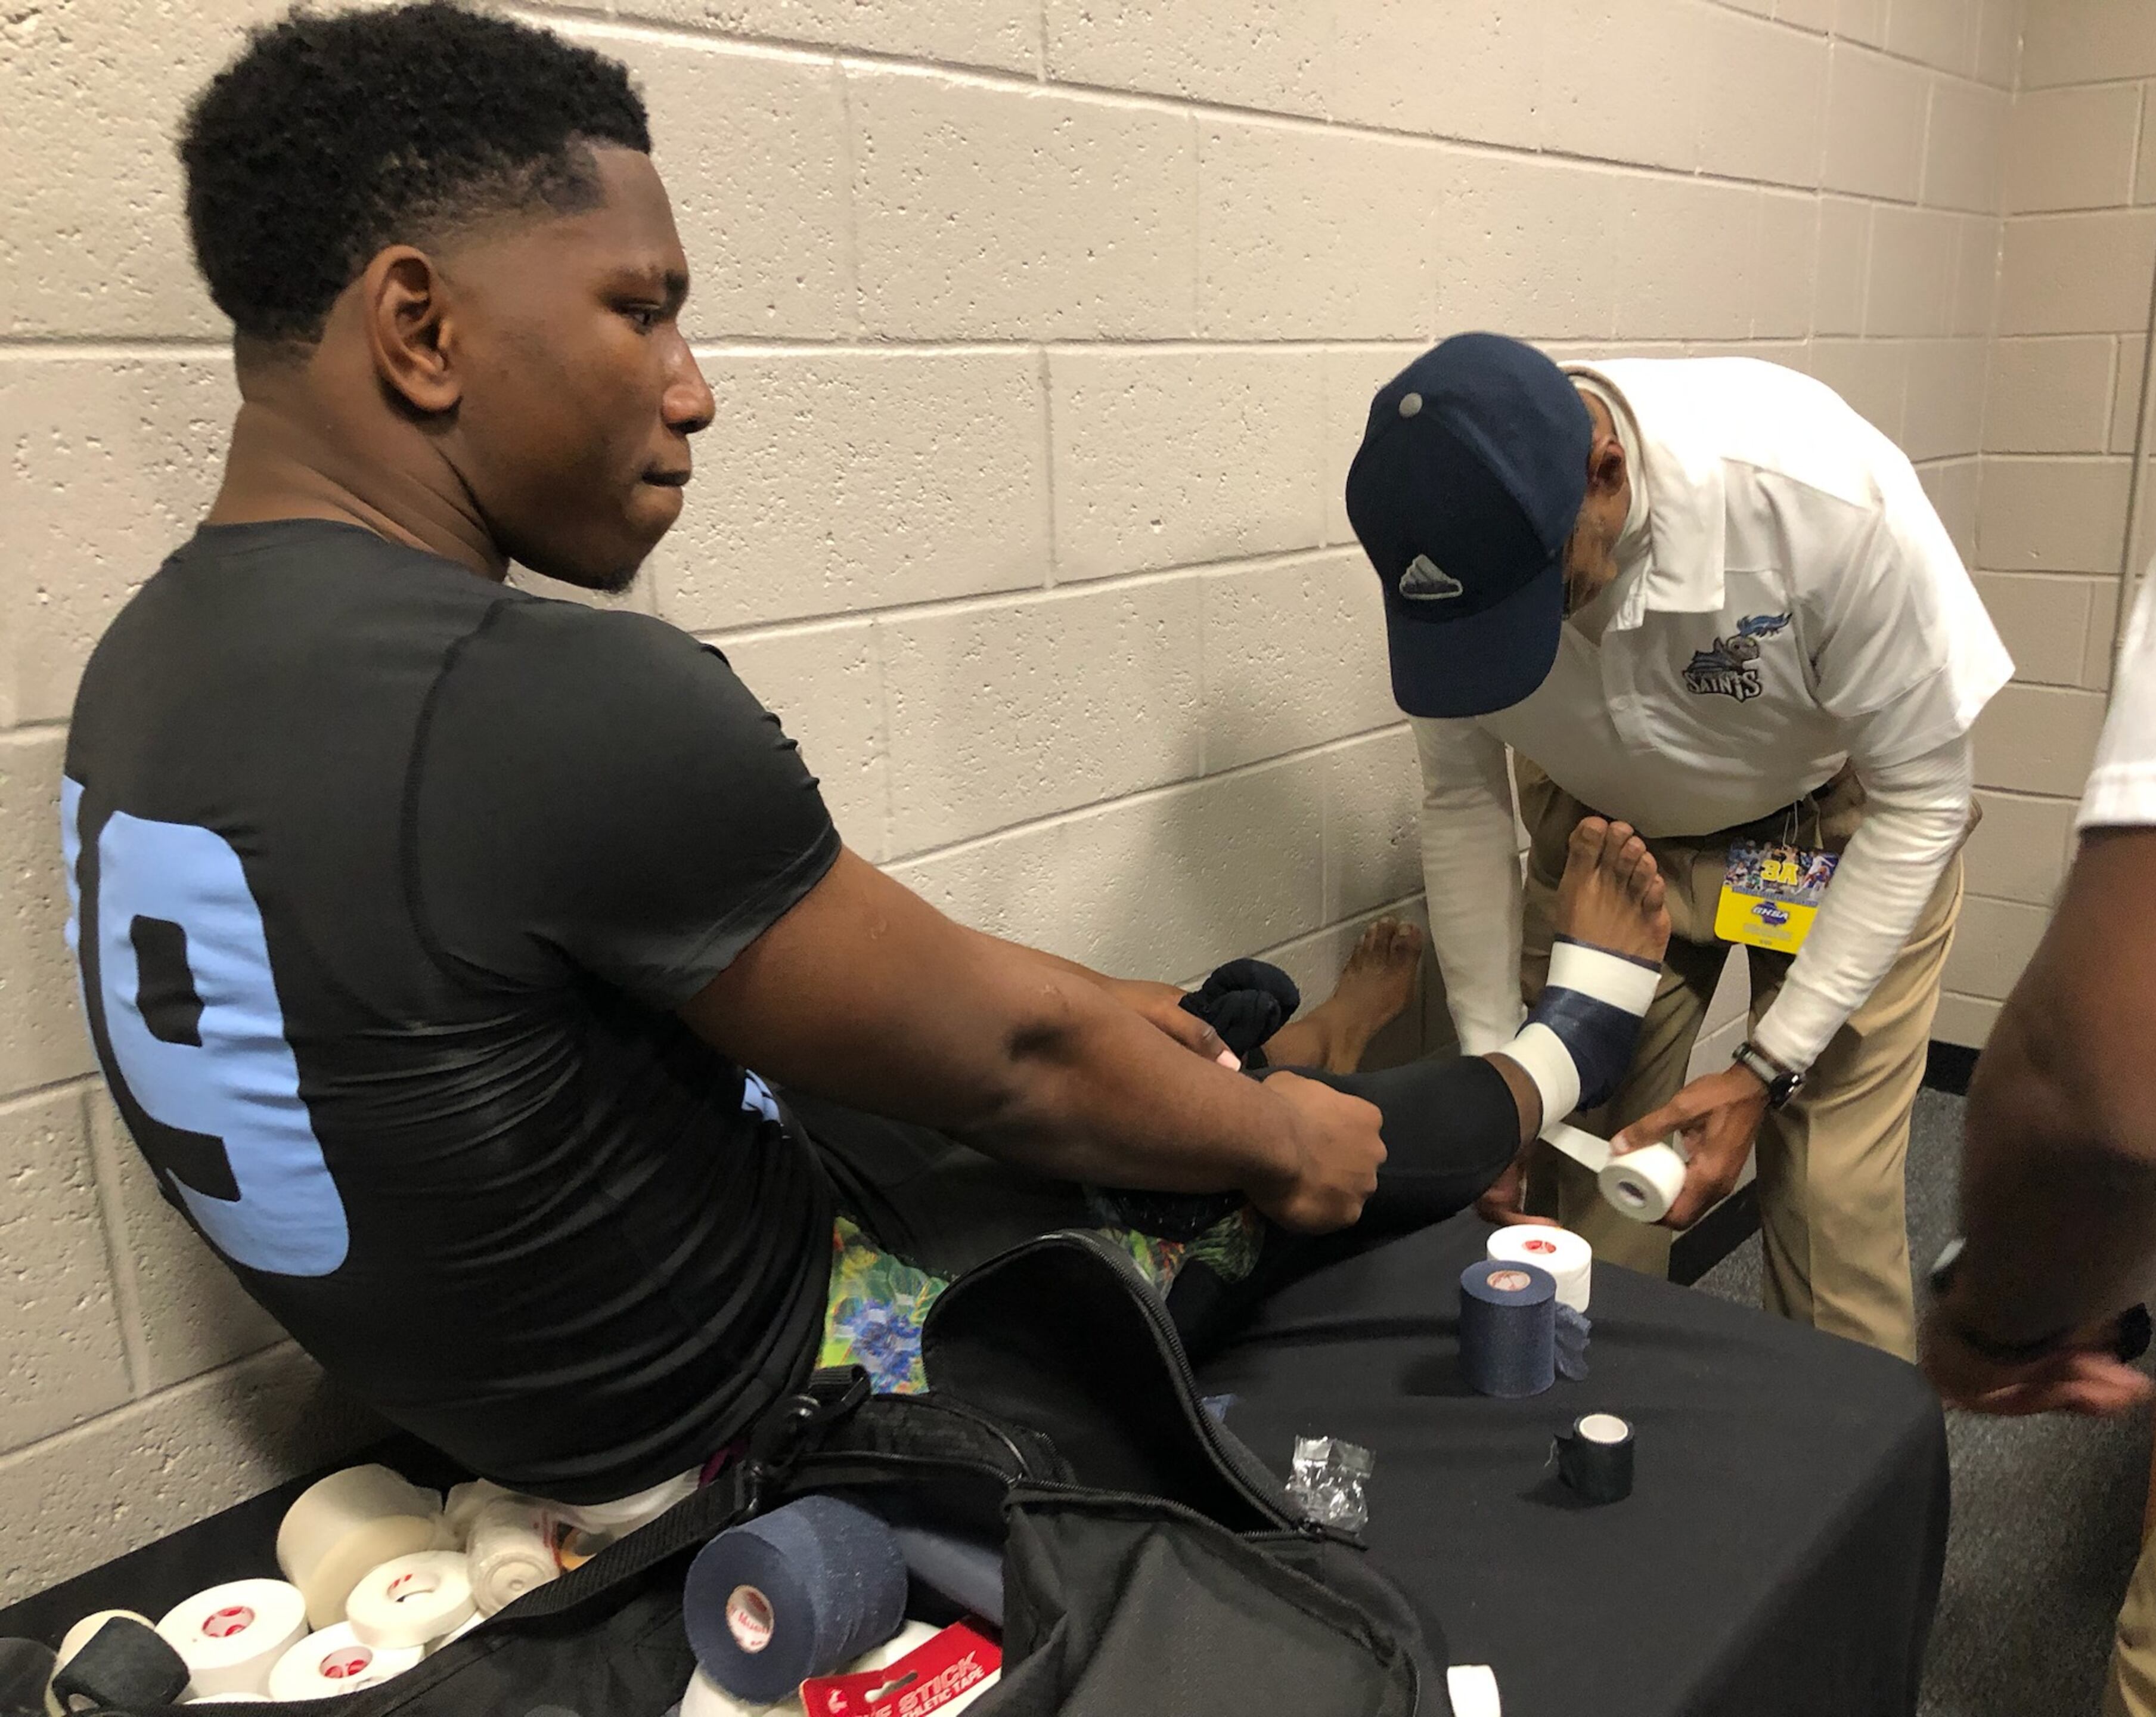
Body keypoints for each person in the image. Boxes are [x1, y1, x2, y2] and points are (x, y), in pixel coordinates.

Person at [62, 2, 1672, 1508]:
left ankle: (1274, 1036)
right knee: (1292, 1148)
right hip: (766, 1399)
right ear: (420, 326)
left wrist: (1101, 1021)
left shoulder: (143, 668)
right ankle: (1568, 1037)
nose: (690, 393)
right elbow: (1013, 1069)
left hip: (534, 1364)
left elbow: (802, 965)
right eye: (644, 311)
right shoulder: (538, 695)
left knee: (1176, 1018)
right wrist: (1281, 1147)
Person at [1345, 333, 2014, 1359]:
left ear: (1605, 475)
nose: (1515, 636)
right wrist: (1493, 1079)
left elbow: (1924, 800)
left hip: (1829, 830)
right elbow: (1466, 802)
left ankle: (1846, 1485)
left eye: (1544, 594)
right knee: (1594, 1190)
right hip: (1614, 840)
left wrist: (1767, 1066)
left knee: (1829, 1206)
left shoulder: (1821, 502)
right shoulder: (1445, 546)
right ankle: (1594, 1464)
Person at [1923, 246, 2156, 1716]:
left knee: (1836, 1191)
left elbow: (2126, 1099)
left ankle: (1866, 1466)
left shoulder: (1828, 508)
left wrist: (1996, 1318)